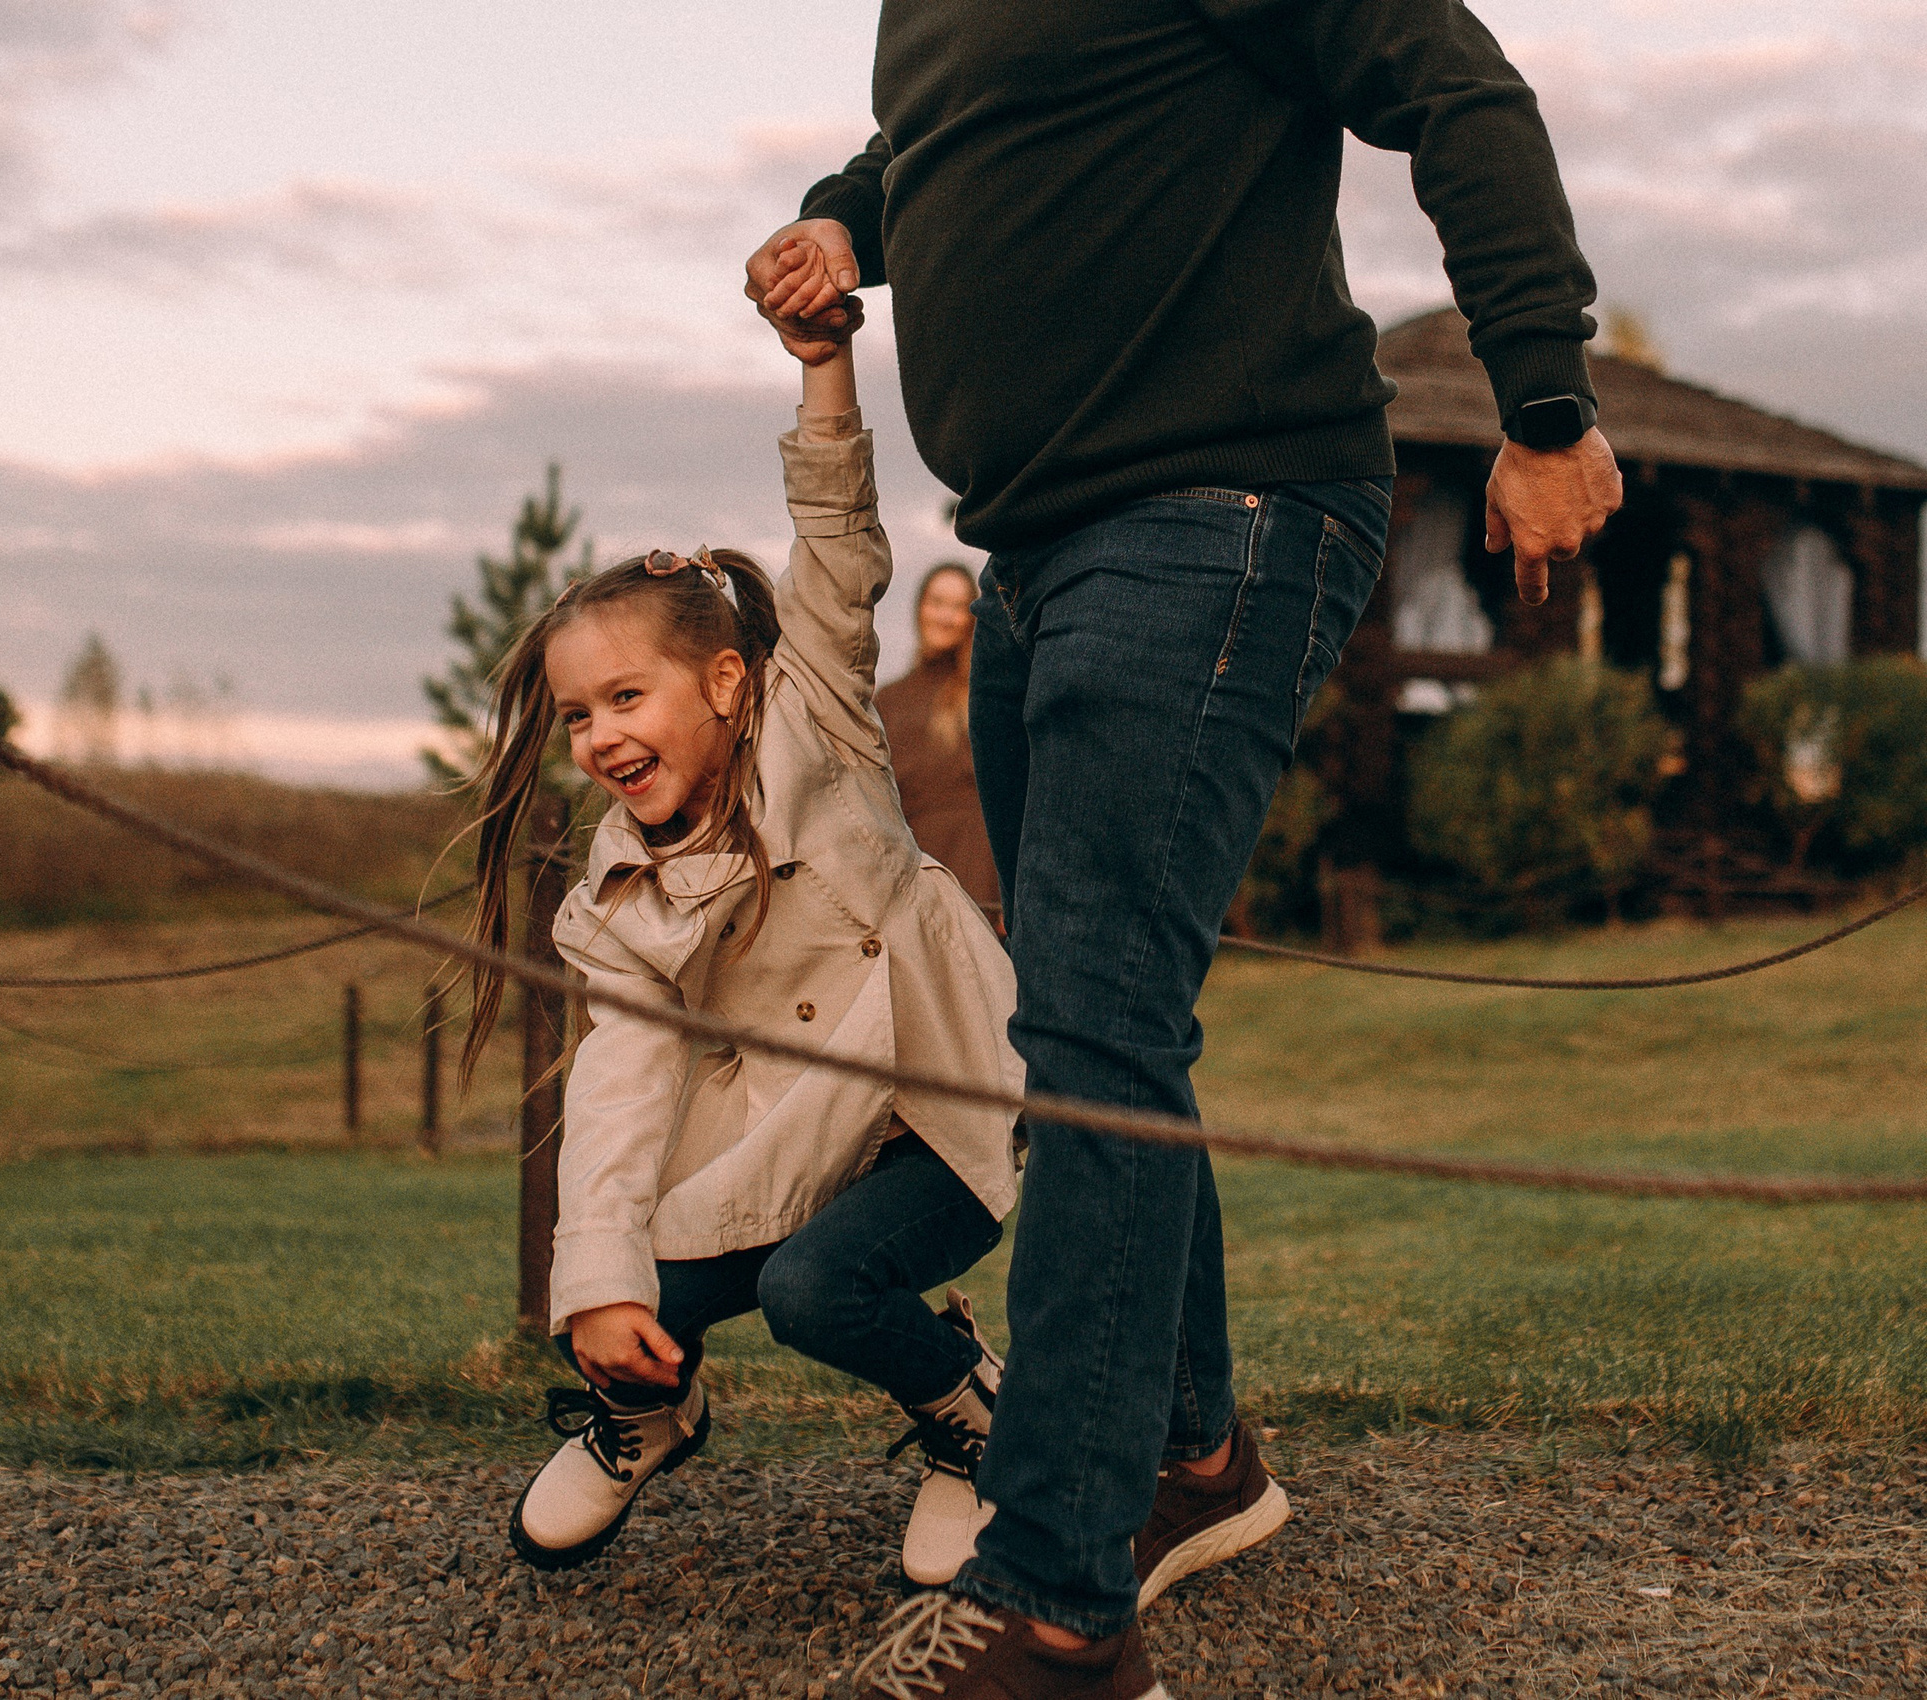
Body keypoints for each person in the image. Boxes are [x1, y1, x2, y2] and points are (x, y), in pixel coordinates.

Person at [743, 2, 1625, 1695]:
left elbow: (1457, 84)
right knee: (1089, 1017)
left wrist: (1541, 399)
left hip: (1219, 512)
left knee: (1092, 1041)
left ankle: (1059, 1610)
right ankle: (1192, 1455)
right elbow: (930, 155)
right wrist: (842, 221)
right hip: (1037, 552)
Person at [459, 261, 1024, 1588]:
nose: (600, 736)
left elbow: (836, 543)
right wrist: (597, 1281)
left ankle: (967, 1425)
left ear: (726, 681)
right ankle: (648, 1409)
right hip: (784, 1133)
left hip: (937, 1108)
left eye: (627, 698)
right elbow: (621, 1081)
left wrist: (823, 362)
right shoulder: (616, 899)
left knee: (817, 1292)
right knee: (592, 1269)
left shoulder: (821, 729)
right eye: (579, 715)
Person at [876, 562, 1003, 919]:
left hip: (981, 885)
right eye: (936, 602)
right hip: (910, 881)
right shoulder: (886, 699)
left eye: (958, 606)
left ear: (973, 616)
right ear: (920, 608)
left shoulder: (986, 693)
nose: (945, 616)